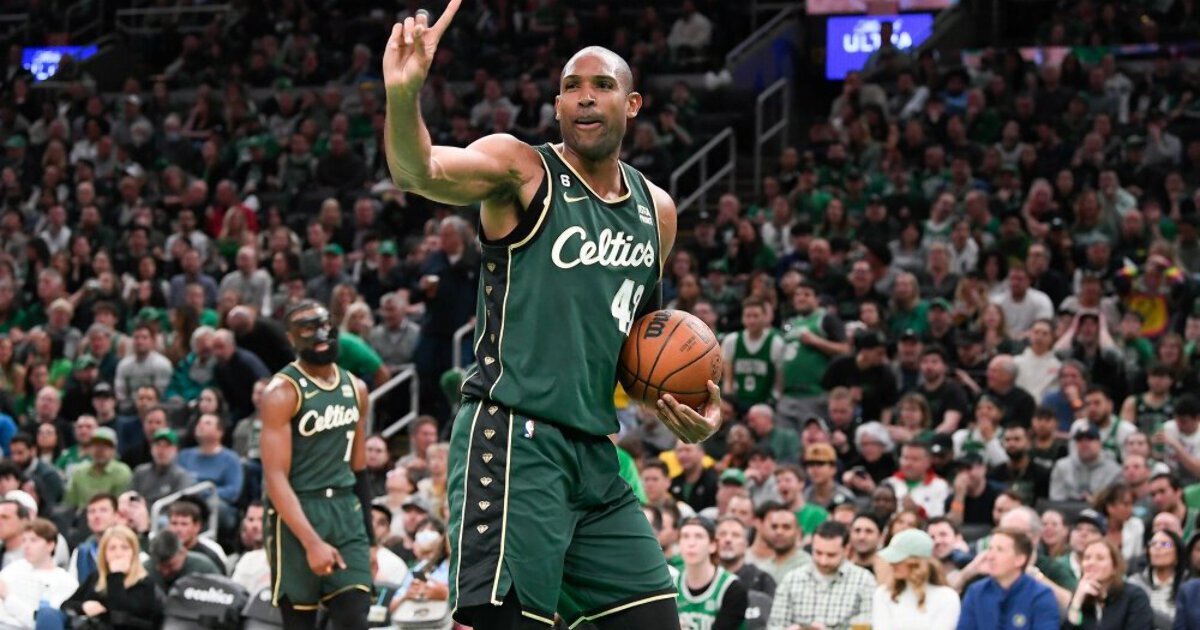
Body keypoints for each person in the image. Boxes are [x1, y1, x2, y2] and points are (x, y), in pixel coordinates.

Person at [384, 8, 723, 628]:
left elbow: (638, 349)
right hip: (514, 437)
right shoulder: (520, 168)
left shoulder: (657, 212)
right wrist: (404, 97)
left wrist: (689, 406)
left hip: (594, 454)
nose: (585, 97)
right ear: (558, 105)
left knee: (651, 620)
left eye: (602, 85)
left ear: (633, 104)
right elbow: (418, 171)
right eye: (571, 86)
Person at [260, 300, 374, 629]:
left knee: (354, 617)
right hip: (297, 510)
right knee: (299, 623)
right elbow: (275, 478)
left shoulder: (357, 389)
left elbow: (360, 468)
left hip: (345, 509)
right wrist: (311, 542)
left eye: (324, 325)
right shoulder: (281, 392)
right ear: (291, 339)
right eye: (308, 329)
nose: (320, 335)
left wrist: (372, 540)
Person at [767, 521, 875, 630]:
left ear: (846, 550)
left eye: (831, 555)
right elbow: (775, 625)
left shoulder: (864, 581)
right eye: (818, 553)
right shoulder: (792, 580)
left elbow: (870, 625)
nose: (823, 561)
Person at [955, 528, 1059, 630]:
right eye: (990, 549)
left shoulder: (1040, 596)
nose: (990, 556)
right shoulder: (976, 592)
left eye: (1000, 550)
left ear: (1020, 559)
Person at [60, 525, 161, 630]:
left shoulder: (144, 582)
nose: (118, 554)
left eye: (125, 548)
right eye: (112, 548)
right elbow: (66, 605)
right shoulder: (96, 578)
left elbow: (119, 615)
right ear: (104, 554)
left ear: (133, 553)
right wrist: (83, 607)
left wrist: (116, 575)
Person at [872, 528, 961, 630]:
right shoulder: (882, 594)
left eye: (898, 560)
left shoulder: (947, 597)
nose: (892, 564)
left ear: (916, 563)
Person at [0, 518, 76, 629]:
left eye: (33, 540)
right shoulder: (13, 568)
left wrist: (7, 597)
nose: (26, 546)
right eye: (24, 540)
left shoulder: (65, 581)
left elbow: (41, 621)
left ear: (50, 545)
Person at [675, 516, 748, 630]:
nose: (691, 543)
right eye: (685, 536)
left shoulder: (732, 588)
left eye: (699, 536)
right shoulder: (672, 583)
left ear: (713, 545)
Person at [1064, 540, 1153, 629]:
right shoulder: (1081, 596)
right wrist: (1077, 600)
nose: (1091, 563)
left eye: (1100, 558)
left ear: (1114, 567)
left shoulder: (1134, 596)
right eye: (1087, 558)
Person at [63, 427, 132, 511]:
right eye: (96, 444)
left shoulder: (122, 472)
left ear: (114, 450)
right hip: (81, 517)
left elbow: (121, 507)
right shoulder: (79, 472)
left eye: (105, 445)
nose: (100, 449)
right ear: (89, 448)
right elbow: (69, 505)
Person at [1127, 529, 1185, 630]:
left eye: (1166, 544)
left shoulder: (1187, 587)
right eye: (1153, 544)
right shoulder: (1135, 583)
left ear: (1178, 554)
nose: (1157, 547)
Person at [745, 501, 812, 585]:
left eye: (786, 527)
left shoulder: (807, 565)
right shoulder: (762, 568)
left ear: (798, 532)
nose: (779, 532)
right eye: (774, 527)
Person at [1050, 425, 1122, 501]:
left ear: (1099, 443)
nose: (1084, 444)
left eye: (1089, 439)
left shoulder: (1114, 470)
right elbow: (1056, 499)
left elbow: (1116, 503)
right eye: (1080, 440)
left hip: (1101, 508)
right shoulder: (1062, 467)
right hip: (1067, 507)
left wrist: (1094, 501)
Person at [715, 515, 775, 596]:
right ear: (713, 542)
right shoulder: (702, 577)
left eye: (735, 535)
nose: (728, 540)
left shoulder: (762, 580)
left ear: (746, 543)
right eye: (722, 534)